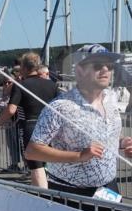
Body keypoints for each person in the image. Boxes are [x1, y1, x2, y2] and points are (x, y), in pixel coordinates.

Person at [27, 44, 132, 199]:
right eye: (97, 65)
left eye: (108, 65)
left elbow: (106, 135)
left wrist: (123, 143)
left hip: (109, 189)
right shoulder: (60, 107)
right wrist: (79, 156)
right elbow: (32, 151)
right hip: (72, 193)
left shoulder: (110, 100)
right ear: (80, 71)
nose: (105, 69)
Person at [0, 52, 58, 188]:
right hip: (52, 127)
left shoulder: (21, 85)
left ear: (25, 68)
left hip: (31, 126)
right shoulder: (52, 85)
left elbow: (11, 110)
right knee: (50, 165)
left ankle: (42, 201)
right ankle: (42, 194)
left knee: (36, 167)